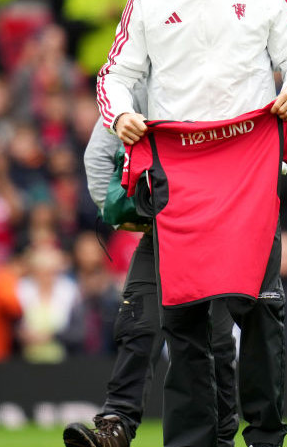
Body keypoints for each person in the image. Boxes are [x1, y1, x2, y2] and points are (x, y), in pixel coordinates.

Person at [97, 0, 287, 447]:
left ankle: (265, 435)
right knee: (186, 318)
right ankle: (192, 442)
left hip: (248, 171)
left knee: (259, 312)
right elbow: (115, 76)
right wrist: (121, 113)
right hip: (179, 176)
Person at [63, 107, 238, 447]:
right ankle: (116, 426)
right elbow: (98, 156)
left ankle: (220, 438)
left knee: (215, 339)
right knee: (140, 321)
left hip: (218, 224)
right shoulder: (134, 84)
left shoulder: (220, 79)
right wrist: (121, 213)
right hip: (164, 226)